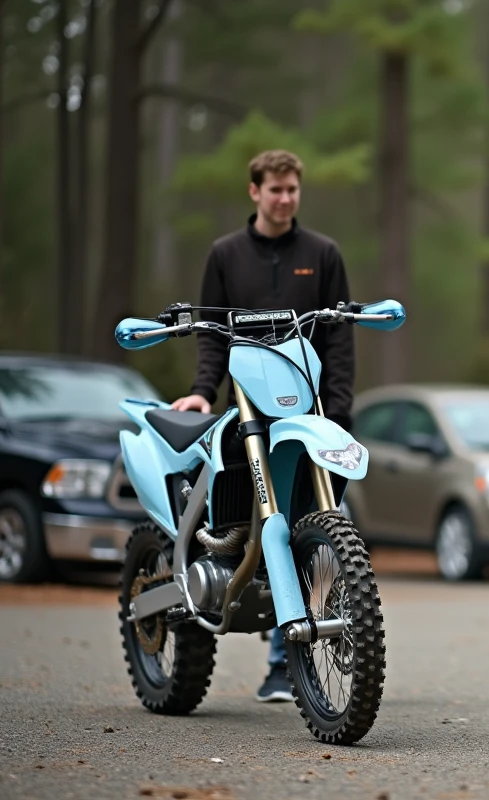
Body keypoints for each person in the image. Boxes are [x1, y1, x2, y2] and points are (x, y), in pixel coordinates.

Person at [171, 149, 356, 703]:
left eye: (292, 189)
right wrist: (203, 392)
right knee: (242, 520)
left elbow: (339, 336)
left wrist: (339, 407)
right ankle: (223, 586)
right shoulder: (225, 254)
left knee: (320, 522)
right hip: (246, 412)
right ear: (254, 191)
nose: (284, 198)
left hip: (307, 413)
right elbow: (208, 331)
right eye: (275, 189)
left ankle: (290, 659)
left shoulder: (323, 254)